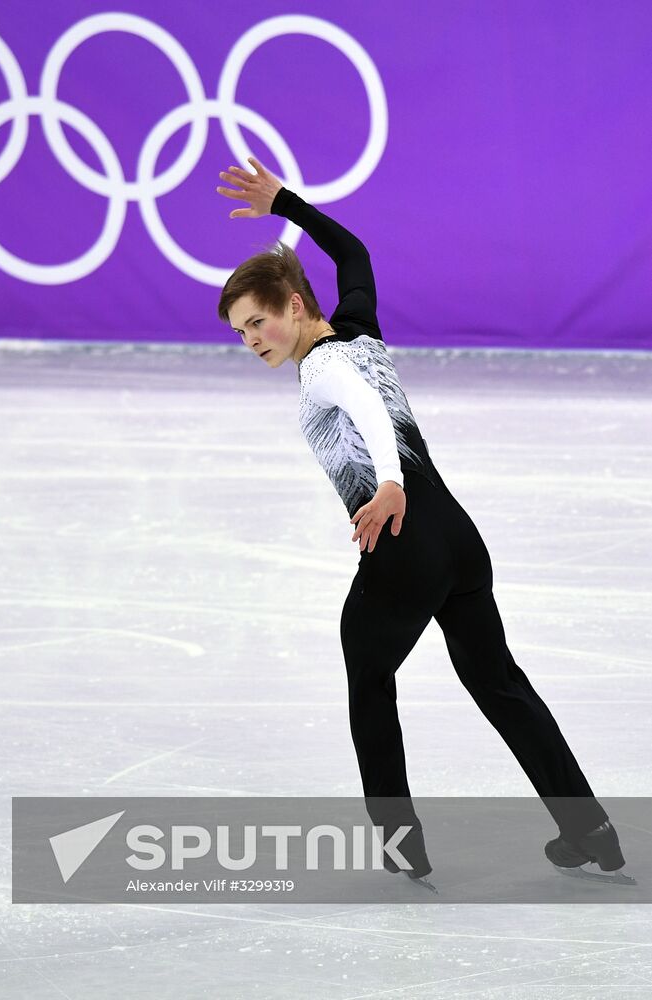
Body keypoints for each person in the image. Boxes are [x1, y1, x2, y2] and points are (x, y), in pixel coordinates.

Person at [215, 156, 635, 889]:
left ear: (290, 303)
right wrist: (284, 202)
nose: (251, 339)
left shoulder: (321, 367)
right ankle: (588, 828)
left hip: (403, 551)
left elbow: (365, 407)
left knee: (368, 676)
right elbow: (353, 254)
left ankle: (400, 844)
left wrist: (386, 481)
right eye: (240, 331)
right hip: (460, 546)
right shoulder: (360, 330)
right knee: (498, 682)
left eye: (257, 321)